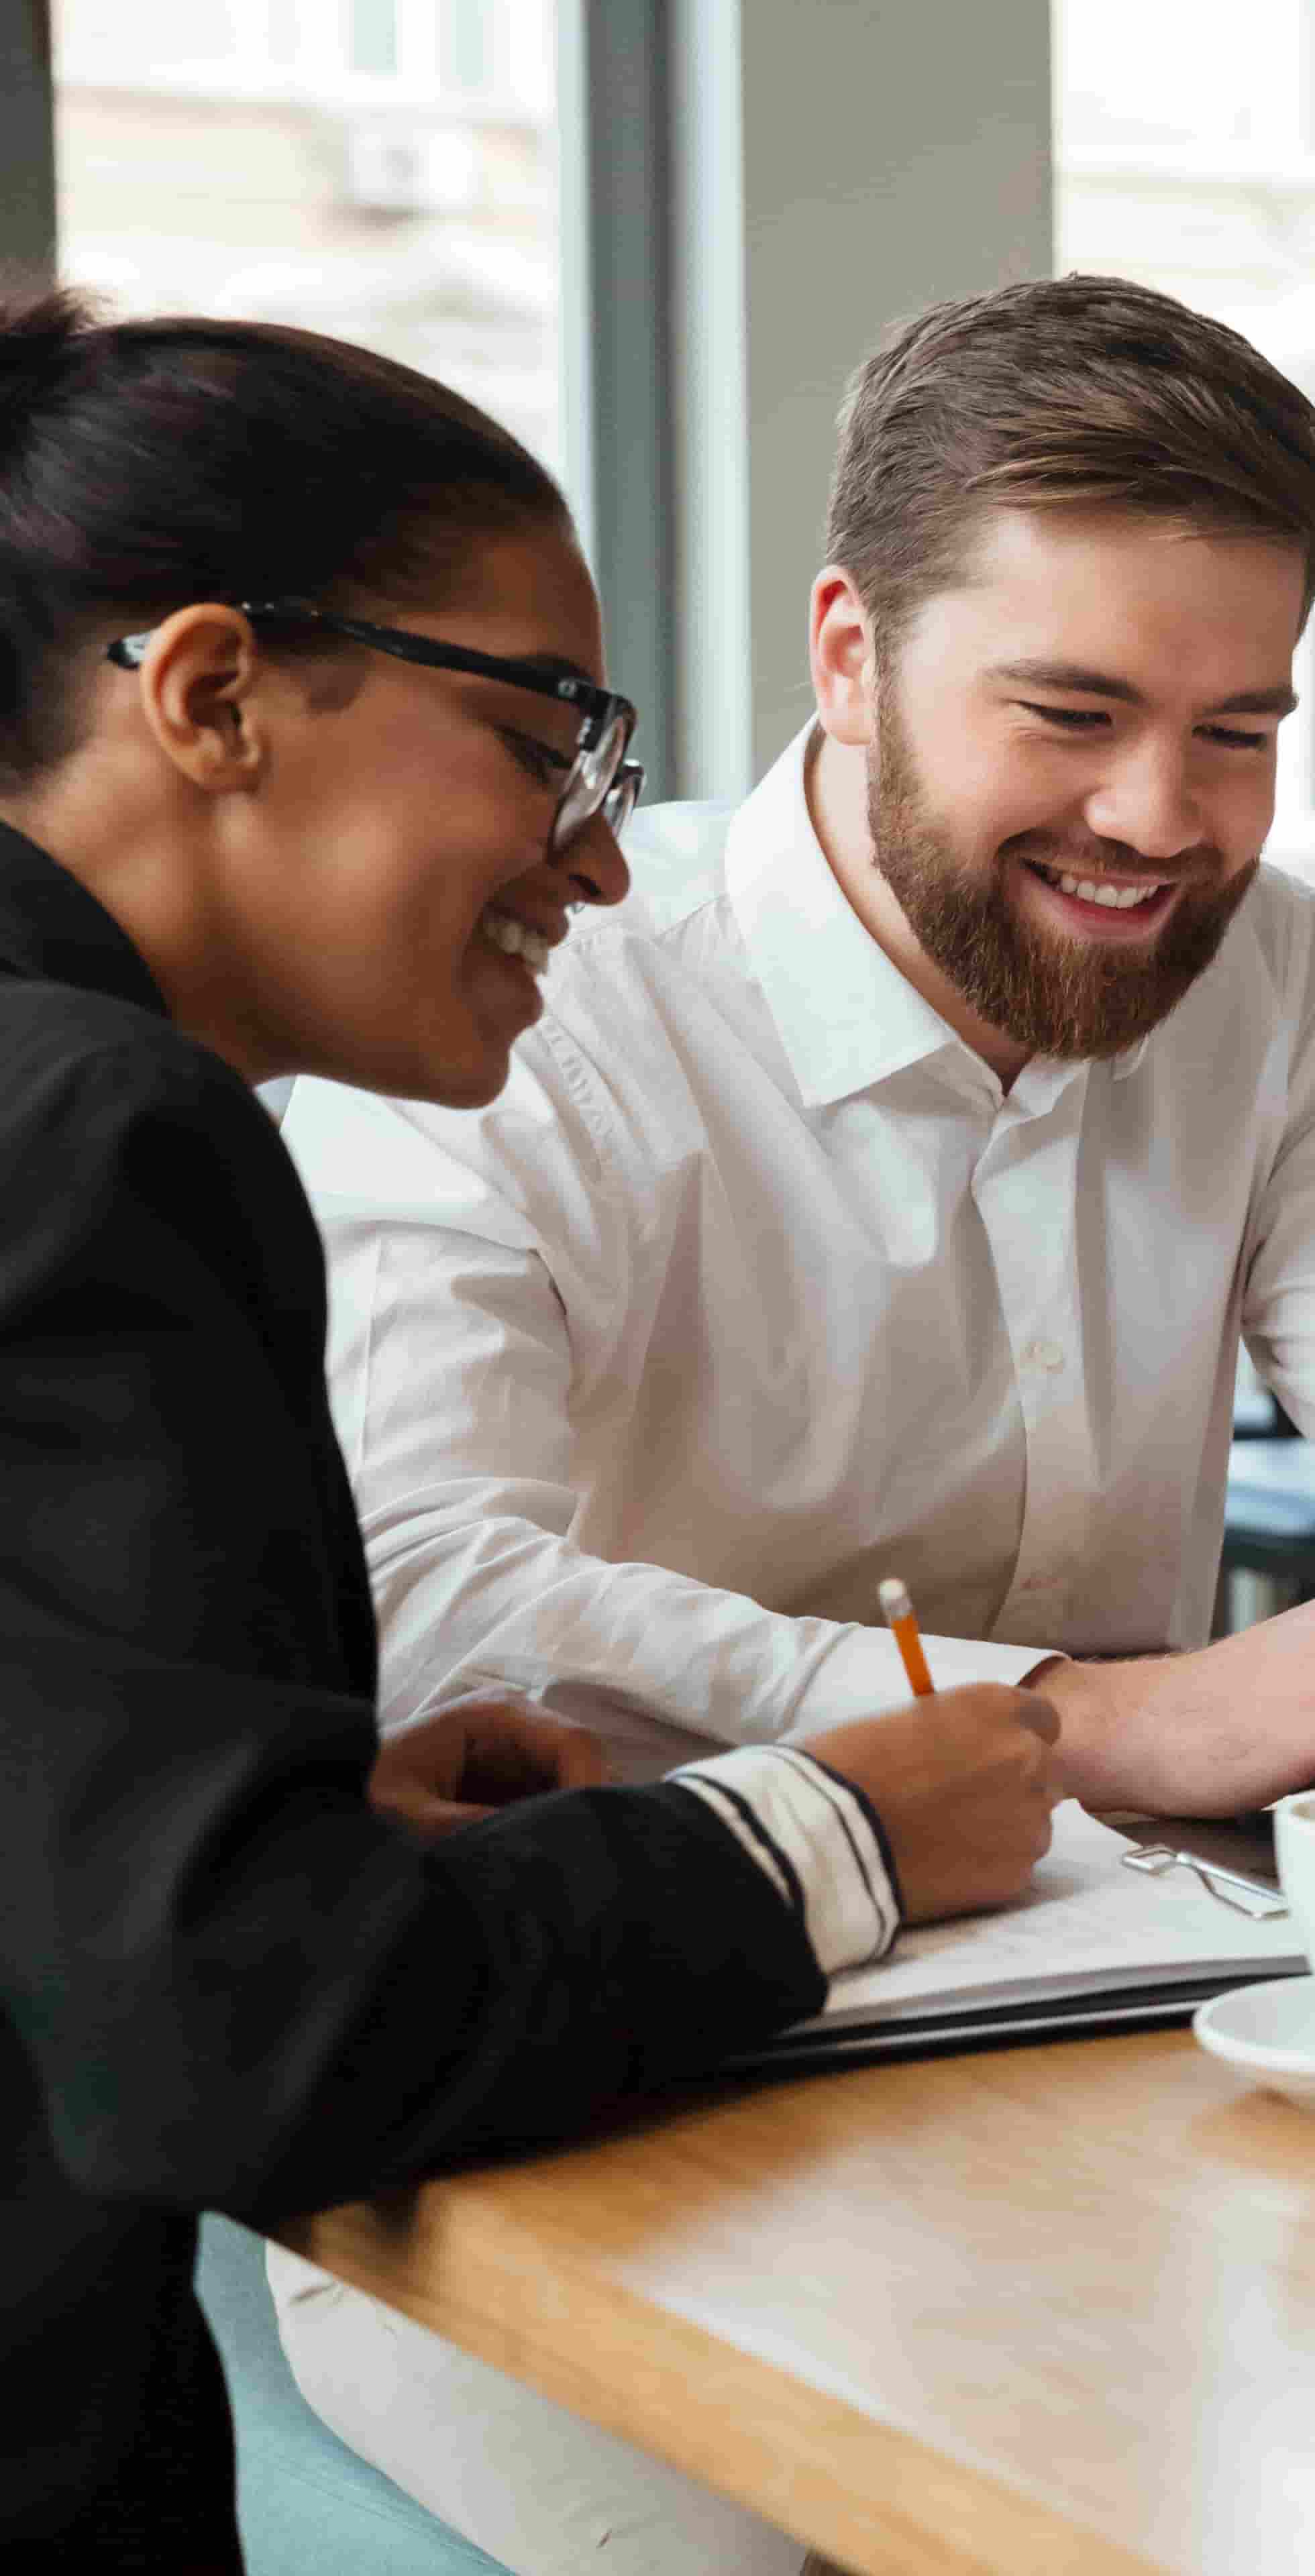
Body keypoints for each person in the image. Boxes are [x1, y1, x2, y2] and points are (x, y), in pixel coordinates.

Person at [269, 274, 1315, 2571]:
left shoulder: (1269, 974)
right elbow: (410, 1599)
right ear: (852, 652)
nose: (1158, 820)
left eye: (1241, 731)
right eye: (1071, 711)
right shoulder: (538, 987)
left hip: (1143, 2026)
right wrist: (1078, 1722)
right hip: (583, 2083)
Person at [0, 288, 1061, 2570]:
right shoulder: (106, 1132)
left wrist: (272, 1826)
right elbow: (250, 2048)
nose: (597, 860)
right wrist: (830, 1834)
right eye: (553, 739)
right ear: (214, 697)